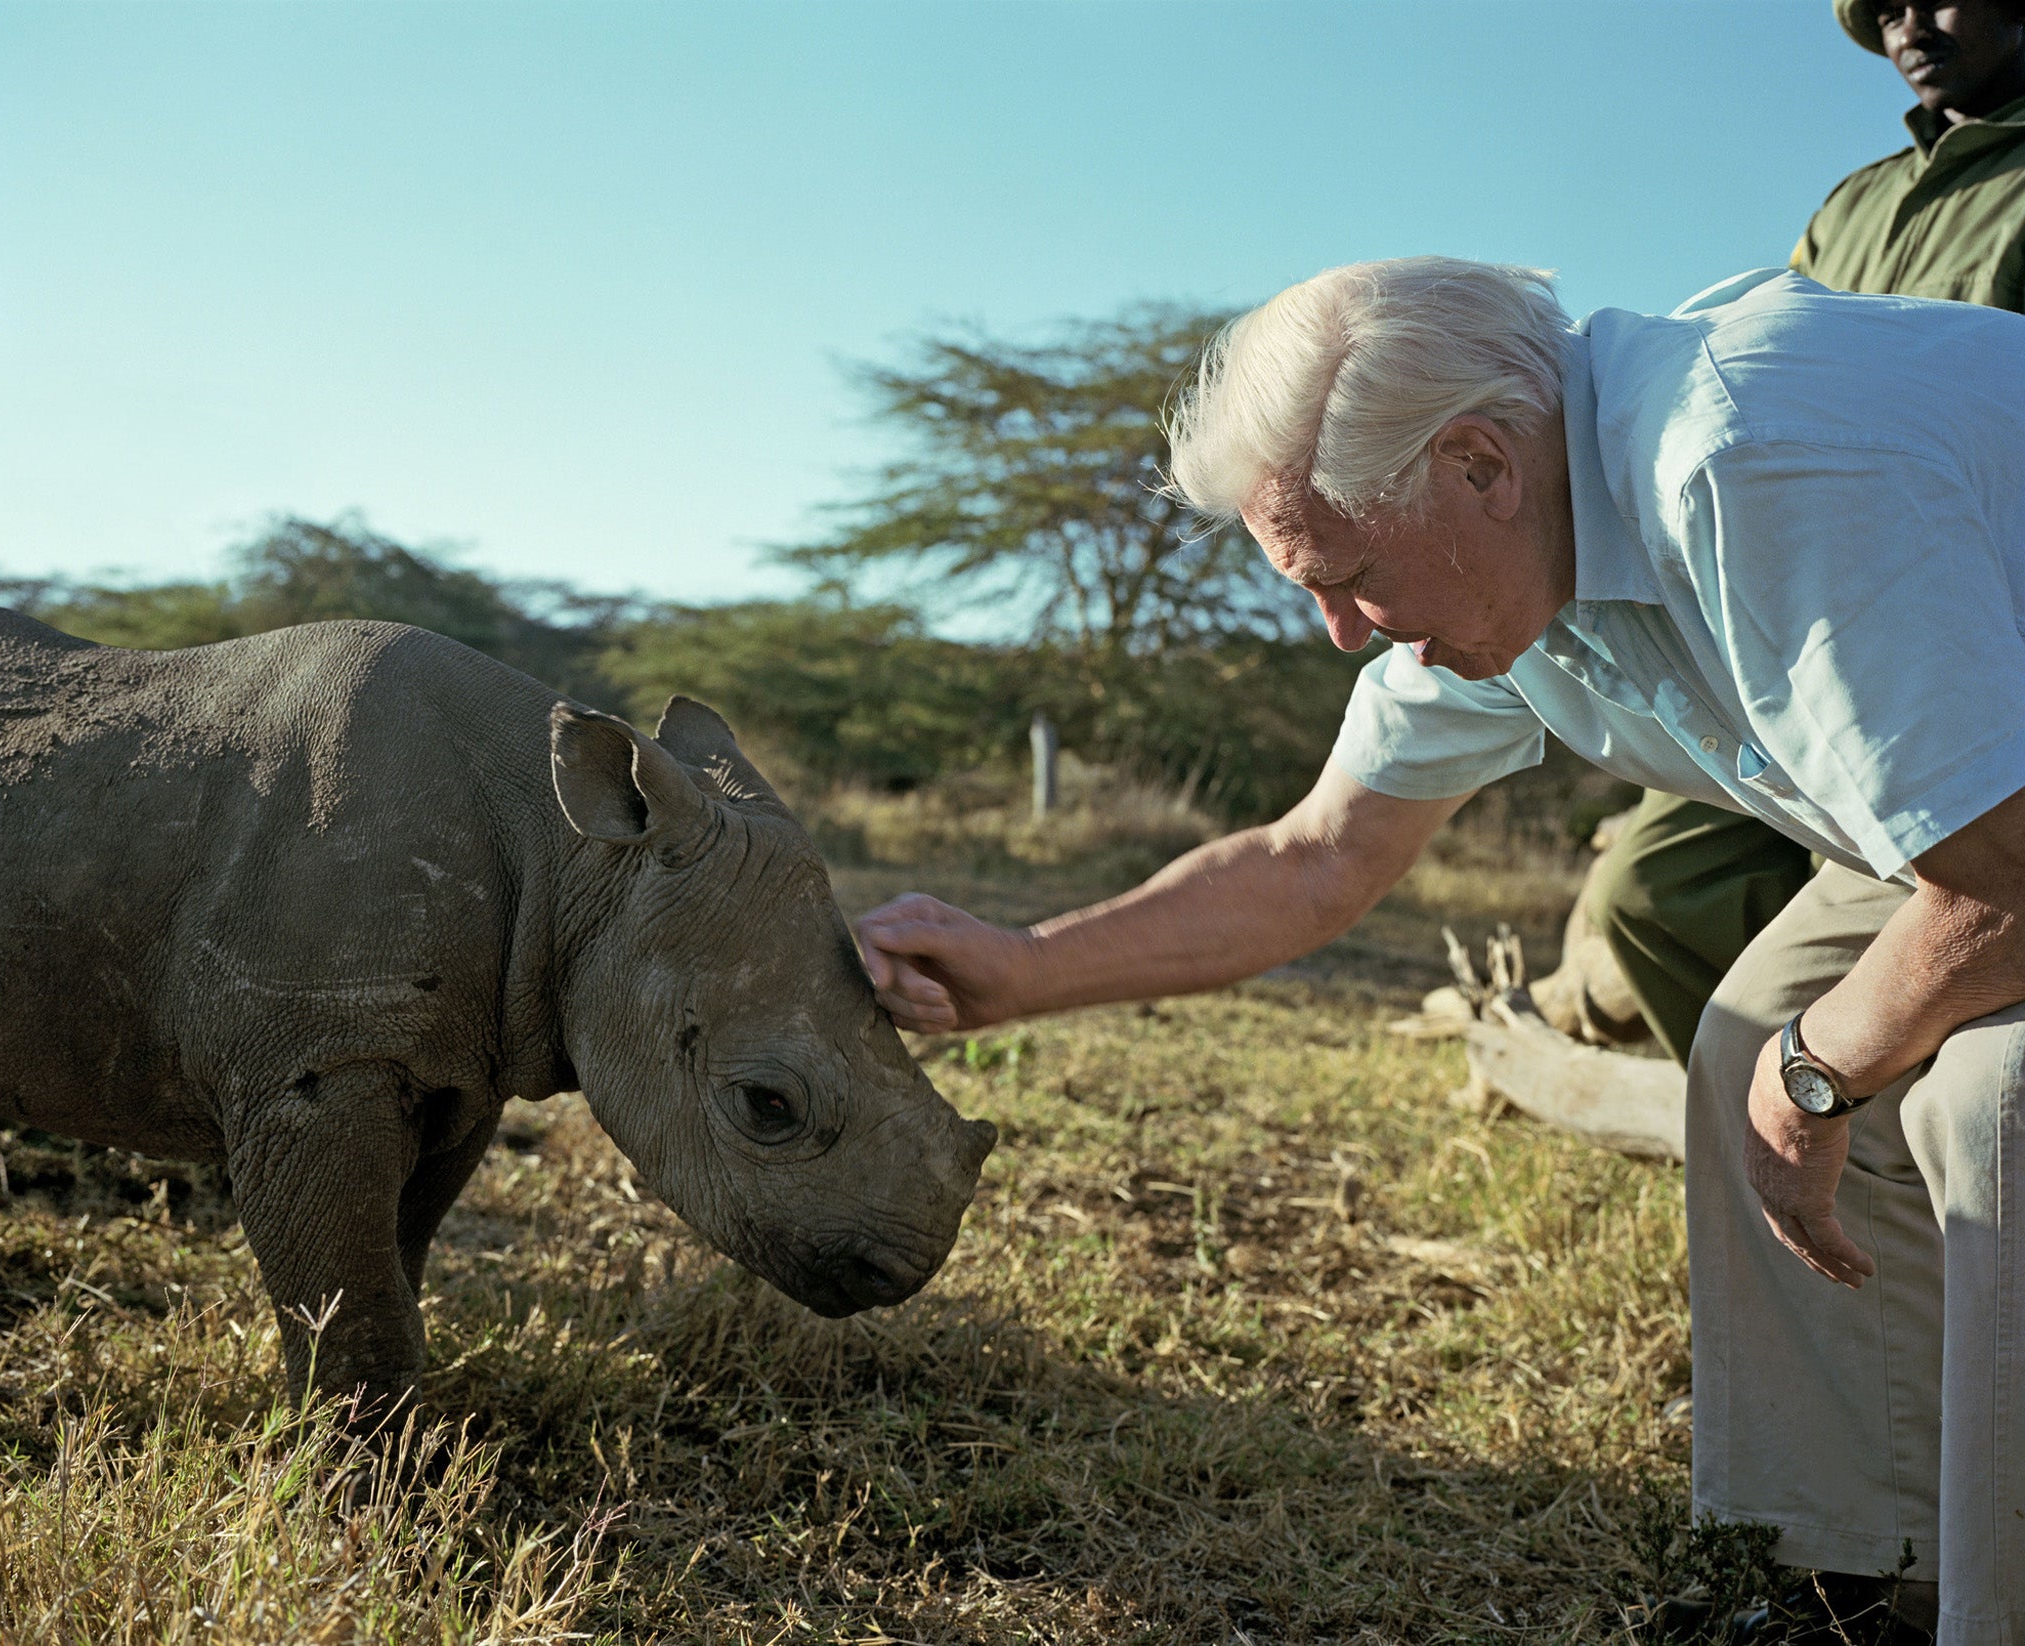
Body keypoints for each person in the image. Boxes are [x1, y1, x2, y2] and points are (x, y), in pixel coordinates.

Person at [857, 257, 2025, 1642]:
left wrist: (1822, 1068)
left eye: (1347, 575)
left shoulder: (1749, 461)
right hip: (1980, 814)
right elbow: (1316, 859)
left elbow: (2007, 876)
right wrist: (1027, 964)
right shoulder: (1520, 542)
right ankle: (1856, 1574)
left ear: (1481, 462)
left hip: (2000, 834)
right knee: (1739, 1036)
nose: (1344, 630)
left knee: (1984, 1100)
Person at [1573, 0, 2025, 1070]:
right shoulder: (1854, 201)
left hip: (1978, 623)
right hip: (1809, 614)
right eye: (1883, 7)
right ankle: (1804, 1123)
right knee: (1651, 885)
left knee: (1970, 882)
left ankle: (1905, 1090)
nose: (1908, 22)